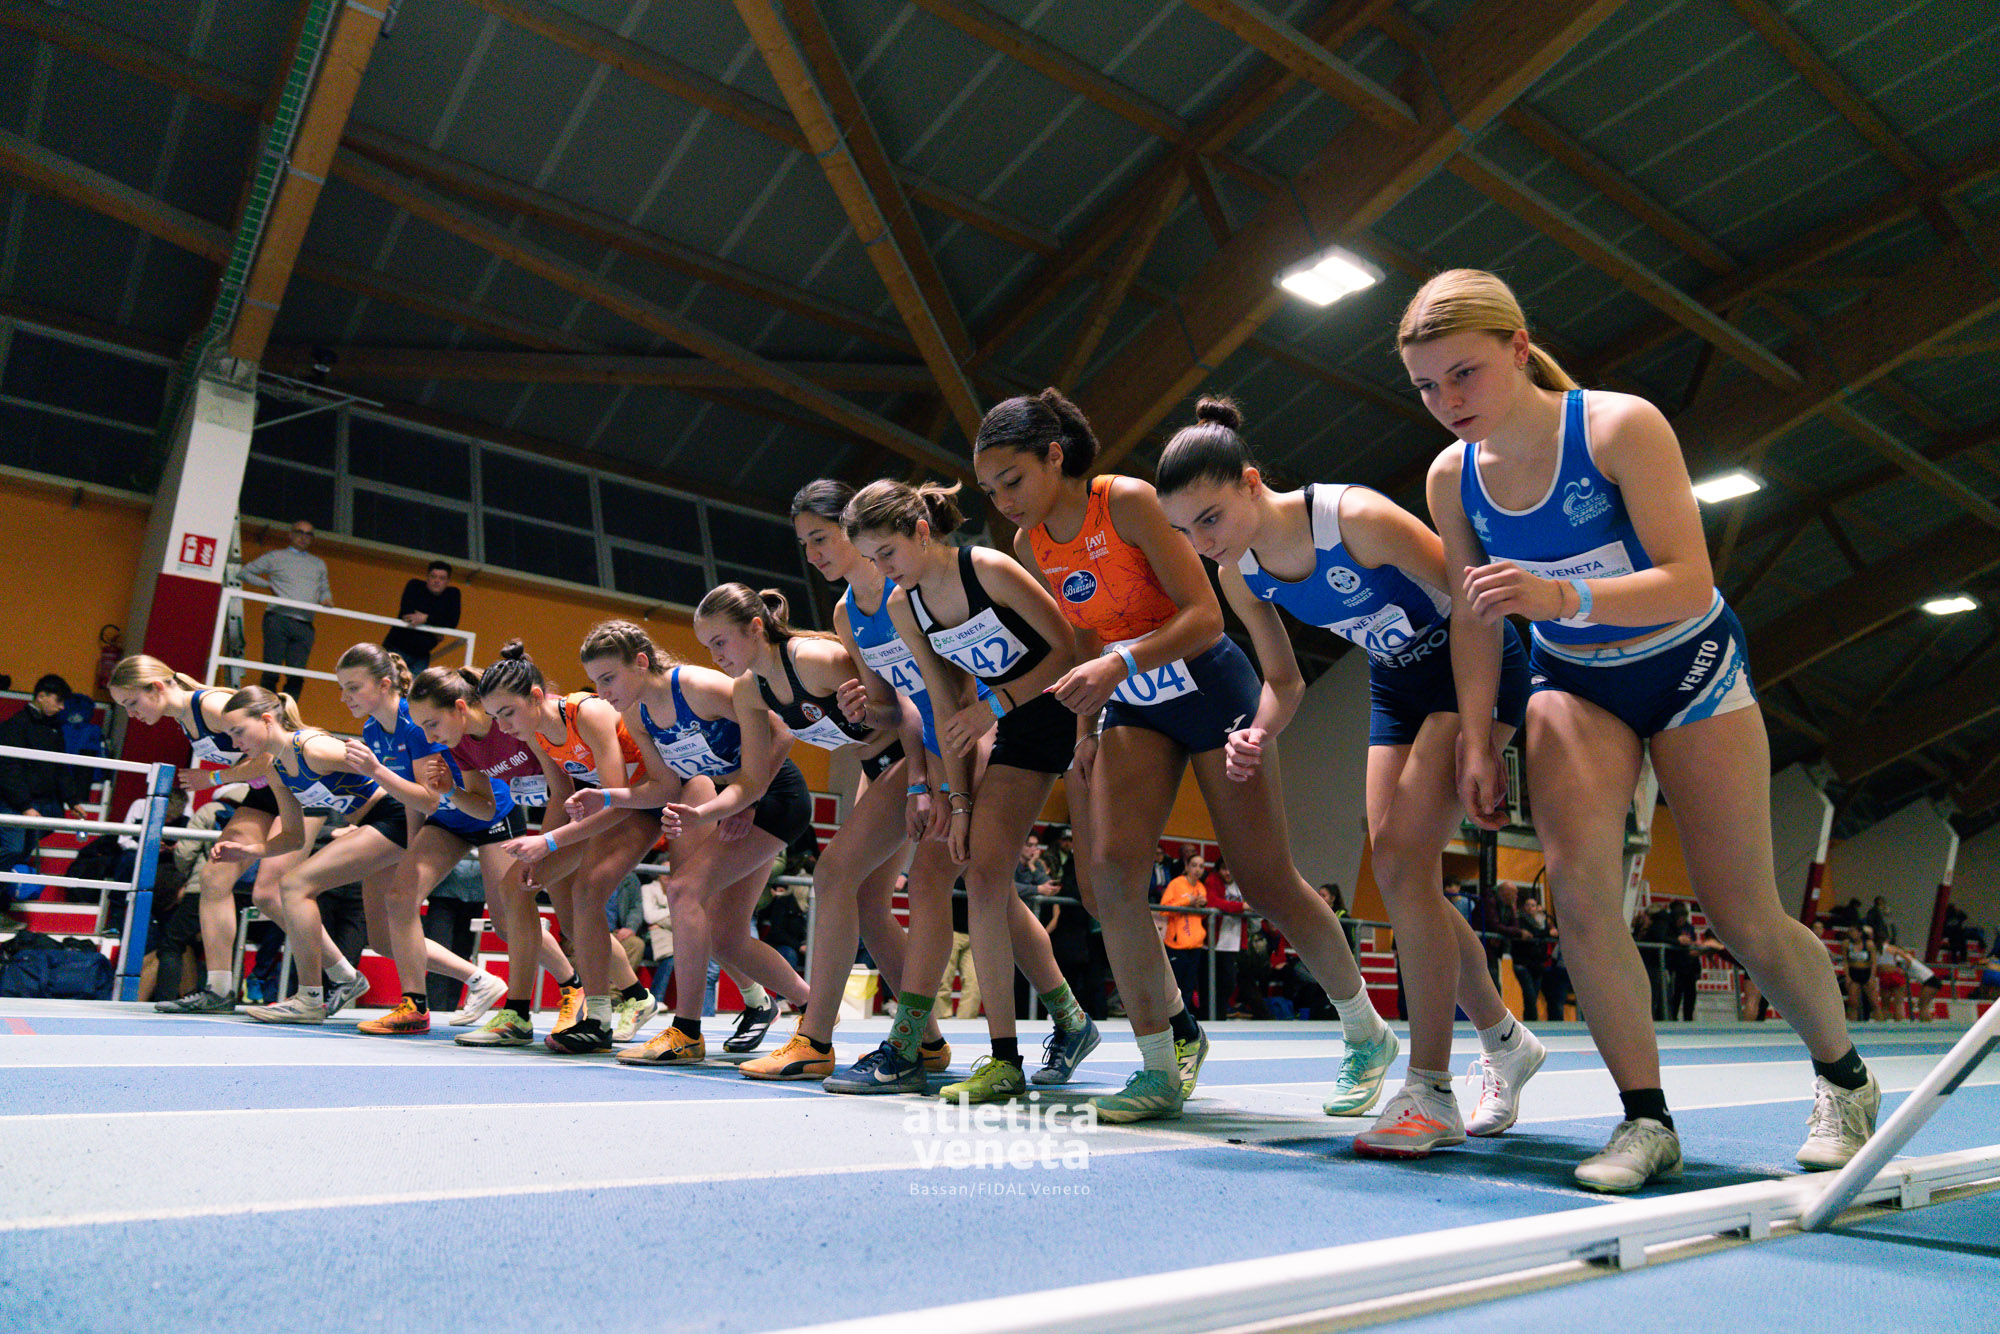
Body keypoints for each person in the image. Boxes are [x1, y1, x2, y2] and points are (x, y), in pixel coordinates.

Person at [1409, 267, 1875, 1191]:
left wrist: (1560, 596)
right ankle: (1645, 1120)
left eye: (1464, 373)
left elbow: (1689, 580)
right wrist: (1478, 737)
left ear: (1517, 348)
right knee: (1581, 899)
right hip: (1575, 684)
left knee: (1741, 912)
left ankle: (1844, 1080)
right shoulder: (1451, 479)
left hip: (1690, 667)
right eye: (1426, 386)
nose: (1447, 401)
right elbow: (1474, 614)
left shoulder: (1619, 427)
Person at [982, 388, 1396, 1124]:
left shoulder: (1129, 502)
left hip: (1210, 684)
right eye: (991, 490)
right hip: (1134, 699)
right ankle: (1162, 1058)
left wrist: (1120, 663)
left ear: (1054, 457)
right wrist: (1086, 727)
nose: (1004, 501)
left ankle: (1366, 1032)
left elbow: (1205, 616)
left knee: (1266, 879)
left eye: (1012, 480)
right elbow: (1084, 633)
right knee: (1110, 877)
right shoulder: (1029, 546)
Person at [1156, 398, 1546, 1157]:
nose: (1202, 543)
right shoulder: (1241, 575)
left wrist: (1479, 734)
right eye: (1185, 531)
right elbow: (1285, 681)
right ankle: (1505, 1041)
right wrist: (1258, 731)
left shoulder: (1356, 519)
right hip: (1396, 684)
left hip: (1473, 666)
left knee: (1399, 864)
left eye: (1209, 518)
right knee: (1405, 876)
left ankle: (1430, 1090)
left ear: (1250, 482)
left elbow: (1477, 602)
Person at [845, 478, 1102, 1102]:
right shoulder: (905, 606)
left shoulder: (987, 568)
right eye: (871, 558)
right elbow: (943, 702)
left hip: (1075, 713)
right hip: (1010, 732)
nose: (881, 568)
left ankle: (1167, 1029)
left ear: (921, 532)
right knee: (983, 876)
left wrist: (997, 706)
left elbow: (1068, 649)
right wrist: (956, 801)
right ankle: (1008, 1057)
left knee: (1104, 888)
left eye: (887, 552)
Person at [685, 580, 953, 1084]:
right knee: (870, 906)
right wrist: (701, 814)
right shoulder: (750, 690)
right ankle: (928, 1041)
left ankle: (814, 1039)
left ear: (755, 628)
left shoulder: (816, 660)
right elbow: (752, 781)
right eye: (708, 647)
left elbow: (908, 707)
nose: (716, 656)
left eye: (721, 642)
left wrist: (922, 781)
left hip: (921, 756)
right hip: (877, 771)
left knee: (833, 875)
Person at [567, 620, 814, 1067]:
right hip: (733, 803)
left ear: (640, 662)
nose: (602, 693)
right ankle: (813, 1006)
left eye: (609, 678)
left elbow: (779, 731)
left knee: (682, 891)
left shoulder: (697, 686)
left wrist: (749, 797)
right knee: (725, 937)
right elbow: (662, 787)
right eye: (596, 682)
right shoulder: (637, 715)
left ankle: (686, 1030)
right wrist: (607, 796)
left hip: (776, 797)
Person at [476, 641, 725, 1053]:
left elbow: (617, 798)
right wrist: (543, 850)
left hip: (669, 794)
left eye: (507, 713)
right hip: (628, 803)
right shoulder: (536, 731)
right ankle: (595, 1016)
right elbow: (561, 796)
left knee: (689, 902)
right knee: (556, 889)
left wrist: (548, 841)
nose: (502, 727)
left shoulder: (587, 713)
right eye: (494, 717)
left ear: (535, 697)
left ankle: (748, 999)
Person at [108, 657, 365, 1014]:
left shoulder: (211, 706)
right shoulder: (182, 717)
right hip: (265, 792)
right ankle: (219, 989)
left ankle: (342, 976)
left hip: (298, 785)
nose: (131, 713)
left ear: (157, 687)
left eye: (132, 703)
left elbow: (272, 754)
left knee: (268, 895)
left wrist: (214, 779)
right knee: (214, 877)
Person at [401, 666, 576, 1043]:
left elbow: (563, 790)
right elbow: (481, 806)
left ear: (460, 707)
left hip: (582, 809)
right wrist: (450, 791)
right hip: (557, 814)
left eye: (432, 724)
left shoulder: (516, 725)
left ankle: (608, 994)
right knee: (525, 900)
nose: (430, 737)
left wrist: (545, 844)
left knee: (576, 910)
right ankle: (528, 1010)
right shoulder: (461, 745)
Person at [0, 675, 93, 912]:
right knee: (11, 854)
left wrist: (72, 800)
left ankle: (3, 907)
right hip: (15, 805)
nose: (62, 707)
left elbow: (60, 767)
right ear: (41, 696)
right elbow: (8, 770)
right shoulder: (14, 726)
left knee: (18, 856)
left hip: (36, 804)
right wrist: (25, 806)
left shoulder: (54, 728)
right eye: (58, 701)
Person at [240, 520, 332, 699]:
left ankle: (288, 712)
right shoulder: (275, 556)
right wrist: (268, 585)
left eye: (308, 534)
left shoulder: (318, 563)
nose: (303, 537)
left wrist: (326, 599)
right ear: (290, 534)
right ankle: (266, 708)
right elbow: (244, 572)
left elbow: (324, 587)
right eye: (299, 532)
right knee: (271, 670)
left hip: (305, 623)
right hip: (278, 618)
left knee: (297, 674)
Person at [382, 561, 461, 676]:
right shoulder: (415, 586)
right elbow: (407, 614)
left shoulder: (452, 594)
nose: (437, 581)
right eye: (433, 576)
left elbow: (452, 622)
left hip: (421, 655)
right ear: (427, 577)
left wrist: (425, 618)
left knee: (414, 687)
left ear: (448, 581)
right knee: (385, 680)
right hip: (396, 647)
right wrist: (435, 628)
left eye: (442, 578)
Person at [1160, 854, 1209, 1014]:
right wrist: (1187, 902)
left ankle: (1185, 1020)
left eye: (1201, 866)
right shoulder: (1176, 884)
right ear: (1186, 866)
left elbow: (1201, 917)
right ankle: (1168, 1020)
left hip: (1195, 944)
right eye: (1194, 865)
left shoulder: (1201, 887)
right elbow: (1163, 909)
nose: (1197, 869)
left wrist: (1202, 906)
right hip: (1176, 944)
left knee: (1188, 987)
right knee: (1174, 988)